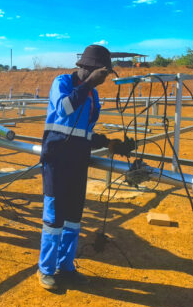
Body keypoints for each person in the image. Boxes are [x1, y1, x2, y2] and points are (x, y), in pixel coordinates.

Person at [38, 44, 134, 291]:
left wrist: (111, 143)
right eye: (102, 73)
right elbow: (64, 109)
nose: (103, 79)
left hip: (78, 162)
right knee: (54, 218)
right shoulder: (62, 83)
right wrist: (89, 83)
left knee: (73, 219)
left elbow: (84, 132)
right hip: (56, 161)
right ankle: (46, 270)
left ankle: (66, 267)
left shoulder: (93, 95)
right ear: (90, 68)